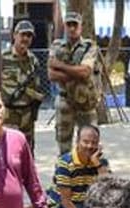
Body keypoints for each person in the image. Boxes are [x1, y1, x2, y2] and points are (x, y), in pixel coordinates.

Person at [48, 12, 100, 156]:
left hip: (86, 102)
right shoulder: (56, 45)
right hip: (65, 100)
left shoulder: (90, 46)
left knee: (90, 144)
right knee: (63, 145)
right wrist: (75, 73)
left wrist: (60, 66)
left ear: (80, 27)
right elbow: (51, 74)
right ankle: (64, 175)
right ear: (65, 26)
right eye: (69, 25)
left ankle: (88, 176)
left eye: (75, 25)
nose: (72, 28)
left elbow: (85, 72)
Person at [46, 123, 110, 208]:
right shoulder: (65, 163)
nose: (89, 146)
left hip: (87, 206)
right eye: (85, 142)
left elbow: (109, 188)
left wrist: (97, 163)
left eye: (94, 143)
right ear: (77, 142)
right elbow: (65, 201)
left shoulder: (100, 162)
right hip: (61, 207)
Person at [0, 21, 46, 152]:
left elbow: (36, 86)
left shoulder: (33, 60)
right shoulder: (2, 57)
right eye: (23, 34)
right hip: (9, 113)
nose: (26, 38)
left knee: (27, 150)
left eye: (29, 36)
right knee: (7, 150)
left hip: (27, 114)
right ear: (15, 35)